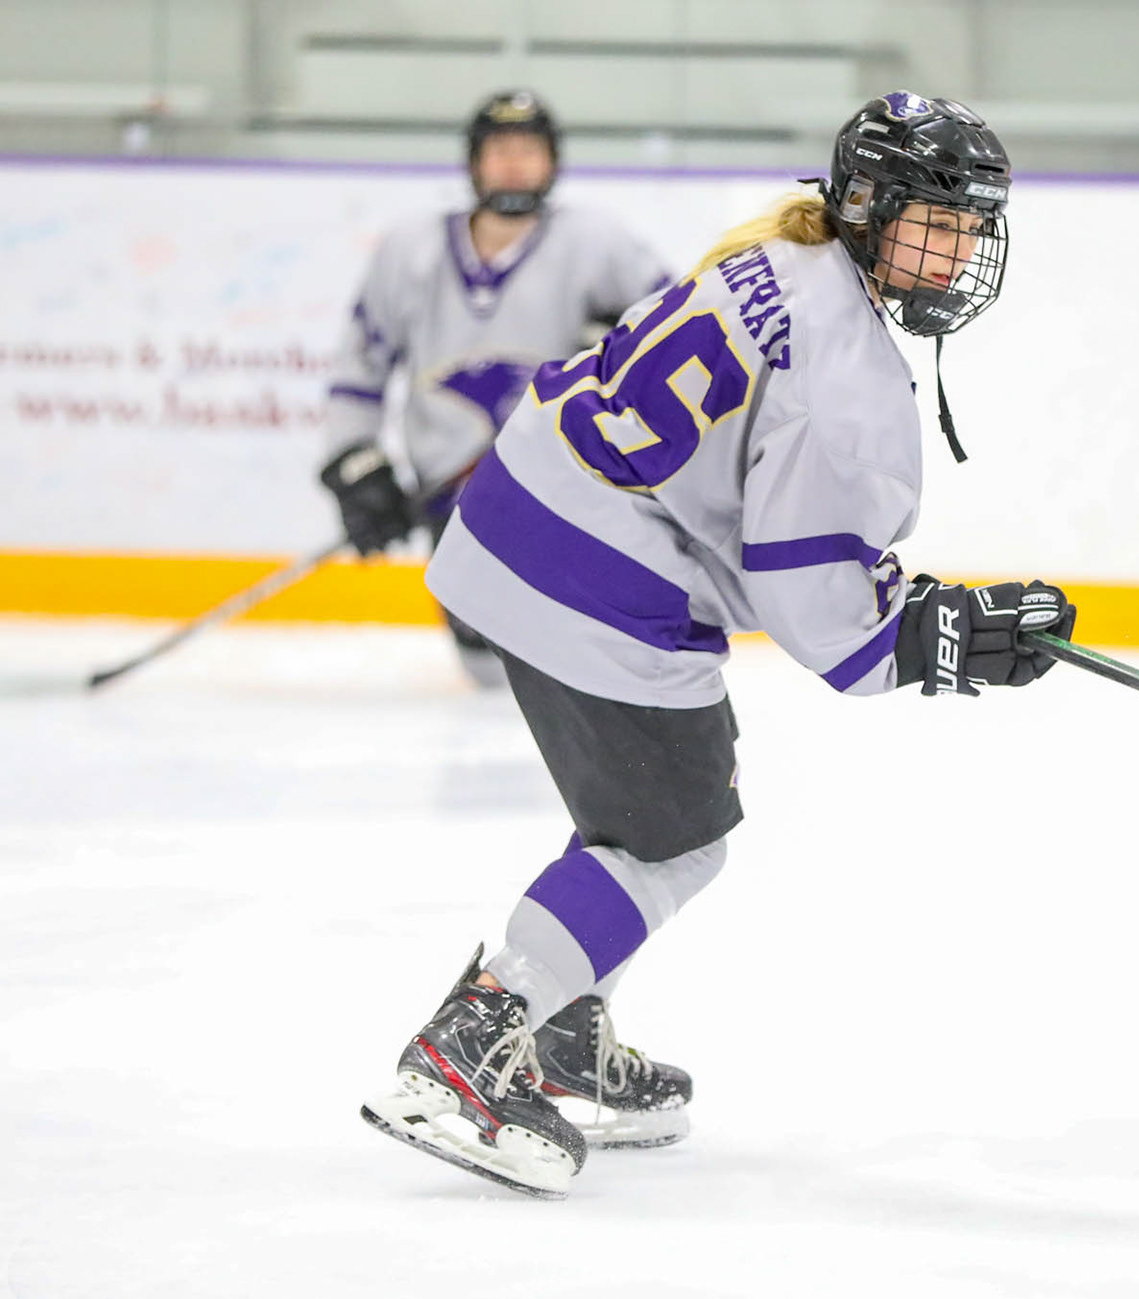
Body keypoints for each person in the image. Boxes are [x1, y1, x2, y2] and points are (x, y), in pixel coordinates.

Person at [358, 91, 1076, 1199]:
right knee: (673, 837)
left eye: (974, 226)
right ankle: (474, 1041)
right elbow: (821, 621)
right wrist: (945, 641)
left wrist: (919, 607)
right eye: (939, 221)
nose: (961, 251)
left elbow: (767, 521)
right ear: (870, 207)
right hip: (593, 571)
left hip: (521, 513)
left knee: (631, 813)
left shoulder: (786, 256)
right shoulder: (849, 372)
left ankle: (559, 1031)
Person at [317, 89, 675, 686]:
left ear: (552, 161)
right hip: (452, 496)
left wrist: (622, 349)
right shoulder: (410, 250)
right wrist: (355, 462)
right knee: (487, 671)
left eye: (528, 150)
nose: (514, 164)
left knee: (568, 667)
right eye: (500, 149)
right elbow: (360, 366)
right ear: (473, 161)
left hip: (566, 492)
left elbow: (677, 336)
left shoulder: (599, 244)